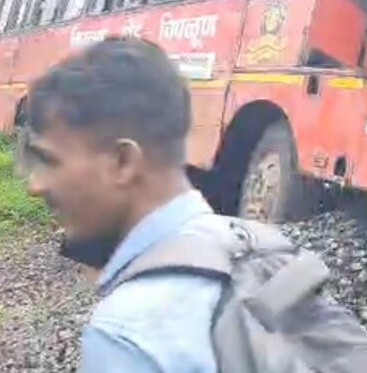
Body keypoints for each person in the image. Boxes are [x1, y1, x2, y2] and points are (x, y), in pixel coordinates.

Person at [22, 37, 220, 372]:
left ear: (123, 162)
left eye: (50, 161)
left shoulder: (129, 334)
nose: (35, 185)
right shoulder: (265, 257)